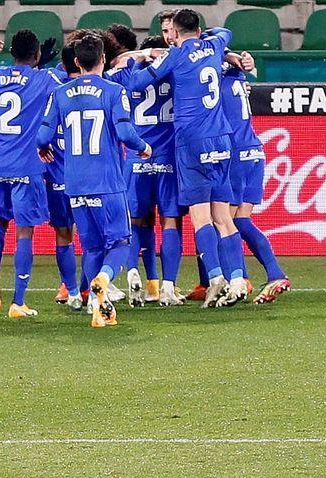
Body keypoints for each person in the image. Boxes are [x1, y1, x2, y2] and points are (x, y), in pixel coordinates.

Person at [128, 10, 247, 308]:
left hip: (191, 142)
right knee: (224, 217)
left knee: (200, 217)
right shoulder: (215, 44)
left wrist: (141, 58)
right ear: (199, 29)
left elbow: (137, 83)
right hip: (222, 139)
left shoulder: (175, 55)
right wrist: (222, 49)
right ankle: (237, 281)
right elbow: (226, 32)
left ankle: (217, 279)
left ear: (177, 34)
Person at [37, 35, 152, 327]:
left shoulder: (60, 93)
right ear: (102, 59)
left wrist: (43, 148)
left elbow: (42, 137)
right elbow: (126, 134)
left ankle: (94, 303)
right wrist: (144, 147)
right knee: (120, 242)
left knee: (91, 247)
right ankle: (103, 280)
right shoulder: (114, 91)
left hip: (74, 182)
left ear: (76, 62)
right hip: (108, 181)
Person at [0, 30, 62, 318]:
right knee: (24, 232)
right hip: (27, 166)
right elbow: (67, 81)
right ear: (37, 54)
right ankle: (18, 301)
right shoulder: (43, 79)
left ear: (11, 53)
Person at [106, 34, 186, 307]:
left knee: (137, 223)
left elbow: (108, 70)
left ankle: (131, 273)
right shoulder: (176, 74)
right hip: (168, 159)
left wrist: (139, 56)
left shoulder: (128, 73)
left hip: (136, 159)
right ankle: (167, 287)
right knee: (170, 222)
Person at [220, 61, 291, 304]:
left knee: (222, 220)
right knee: (240, 219)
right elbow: (250, 68)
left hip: (235, 154)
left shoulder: (208, 81)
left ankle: (238, 281)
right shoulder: (235, 74)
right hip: (254, 151)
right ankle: (275, 273)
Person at [46, 43, 84, 311]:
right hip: (89, 178)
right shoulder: (101, 89)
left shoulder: (53, 90)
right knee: (95, 239)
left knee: (63, 236)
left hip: (57, 177)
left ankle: (69, 289)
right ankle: (92, 288)